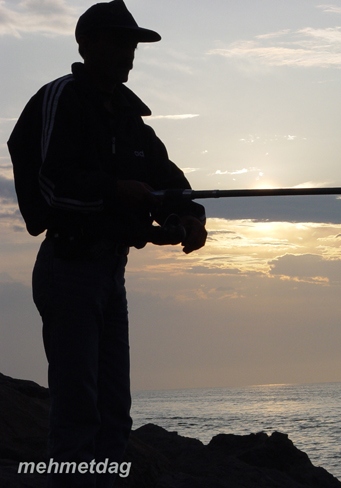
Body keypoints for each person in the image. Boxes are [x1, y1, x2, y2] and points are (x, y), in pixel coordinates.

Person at [7, 1, 207, 486]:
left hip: (109, 277)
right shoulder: (61, 99)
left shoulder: (133, 123)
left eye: (132, 44)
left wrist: (188, 217)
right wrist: (116, 191)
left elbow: (171, 183)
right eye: (119, 41)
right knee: (78, 414)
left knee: (114, 412)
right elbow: (52, 183)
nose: (128, 52)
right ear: (86, 43)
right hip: (68, 269)